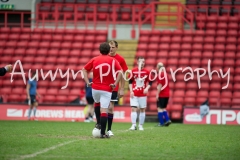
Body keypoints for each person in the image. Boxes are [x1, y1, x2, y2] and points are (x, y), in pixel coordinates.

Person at [82, 42, 123, 138]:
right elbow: (121, 72)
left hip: (95, 88)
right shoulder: (113, 60)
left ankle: (99, 123)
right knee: (104, 110)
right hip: (107, 88)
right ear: (109, 50)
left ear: (99, 50)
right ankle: (103, 133)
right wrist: (115, 84)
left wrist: (88, 82)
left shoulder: (94, 59)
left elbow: (84, 70)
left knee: (96, 103)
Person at [94, 40, 128, 137]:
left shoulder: (120, 59)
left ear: (116, 47)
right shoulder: (104, 58)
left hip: (113, 86)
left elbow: (123, 74)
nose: (111, 49)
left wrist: (122, 88)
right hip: (102, 86)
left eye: (113, 47)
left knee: (110, 107)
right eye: (110, 47)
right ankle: (100, 125)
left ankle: (109, 129)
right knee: (101, 107)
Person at [129, 57, 152, 131]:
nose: (142, 63)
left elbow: (150, 82)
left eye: (143, 62)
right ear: (137, 62)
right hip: (134, 94)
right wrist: (131, 91)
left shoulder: (147, 72)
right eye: (140, 62)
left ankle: (141, 125)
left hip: (142, 95)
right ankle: (133, 125)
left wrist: (147, 88)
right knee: (133, 109)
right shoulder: (133, 71)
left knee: (142, 109)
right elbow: (130, 81)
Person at [155, 62, 171, 127]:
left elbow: (160, 85)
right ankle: (167, 120)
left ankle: (161, 123)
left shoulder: (160, 74)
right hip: (167, 93)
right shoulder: (166, 74)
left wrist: (157, 94)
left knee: (159, 108)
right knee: (163, 108)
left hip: (162, 94)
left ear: (158, 67)